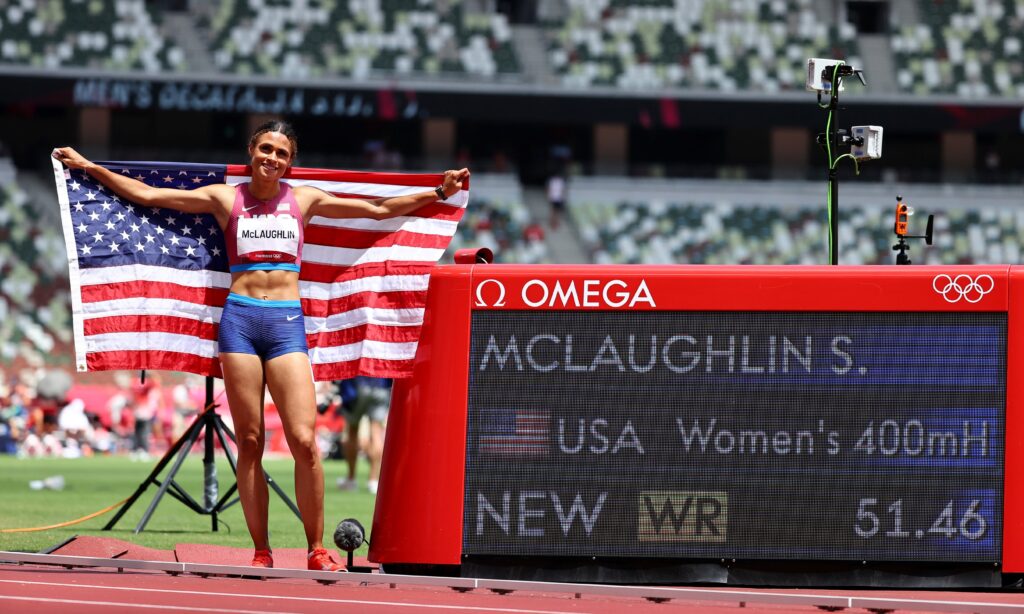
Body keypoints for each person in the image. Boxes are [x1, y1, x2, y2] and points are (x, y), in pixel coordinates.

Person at [53, 121, 469, 572]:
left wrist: (438, 193)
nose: (272, 158)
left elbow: (375, 209)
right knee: (249, 441)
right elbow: (149, 197)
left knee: (305, 441)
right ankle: (262, 551)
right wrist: (88, 166)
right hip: (240, 320)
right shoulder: (224, 198)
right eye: (266, 149)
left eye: (282, 153)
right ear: (252, 151)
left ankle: (316, 549)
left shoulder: (303, 199)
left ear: (290, 161)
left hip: (287, 323)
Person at [335, 377, 391, 494]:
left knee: (352, 431)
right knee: (376, 433)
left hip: (358, 384)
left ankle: (351, 479)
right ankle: (373, 480)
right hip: (381, 385)